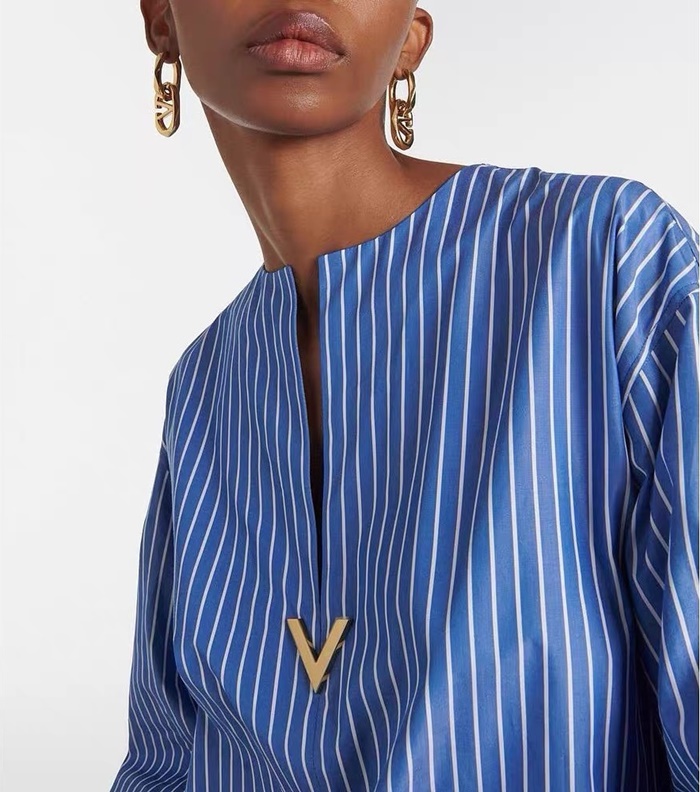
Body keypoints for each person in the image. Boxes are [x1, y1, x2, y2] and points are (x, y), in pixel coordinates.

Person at [110, 2, 699, 790]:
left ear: (410, 41)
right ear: (162, 22)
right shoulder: (204, 389)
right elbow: (164, 765)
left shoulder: (604, 260)